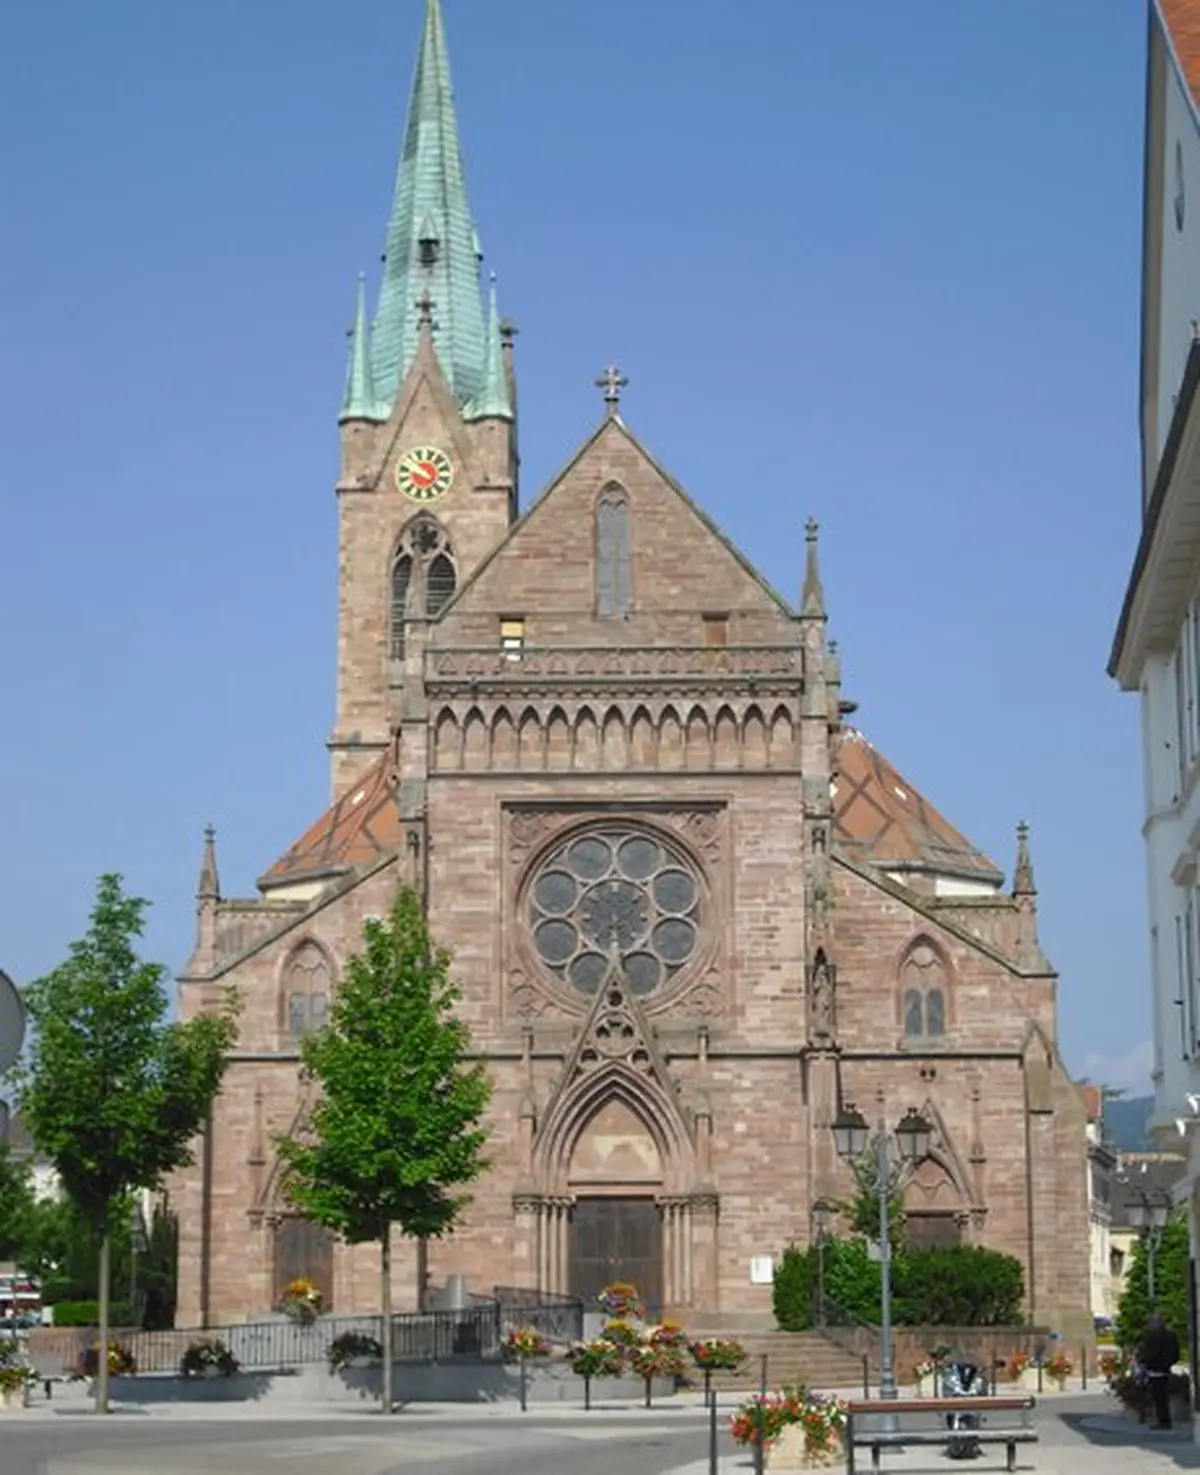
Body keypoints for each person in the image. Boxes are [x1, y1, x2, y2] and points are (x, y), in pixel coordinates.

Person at [1138, 1313, 1181, 1429]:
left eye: (1151, 1322)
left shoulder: (1153, 1336)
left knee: (1159, 1397)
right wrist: (1168, 1364)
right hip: (1166, 1369)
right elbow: (1176, 1354)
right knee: (1162, 1396)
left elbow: (1150, 1353)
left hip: (1155, 1370)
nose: (1149, 1325)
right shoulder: (1171, 1335)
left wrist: (1142, 1359)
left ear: (1156, 1323)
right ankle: (1164, 1420)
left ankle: (1163, 1421)